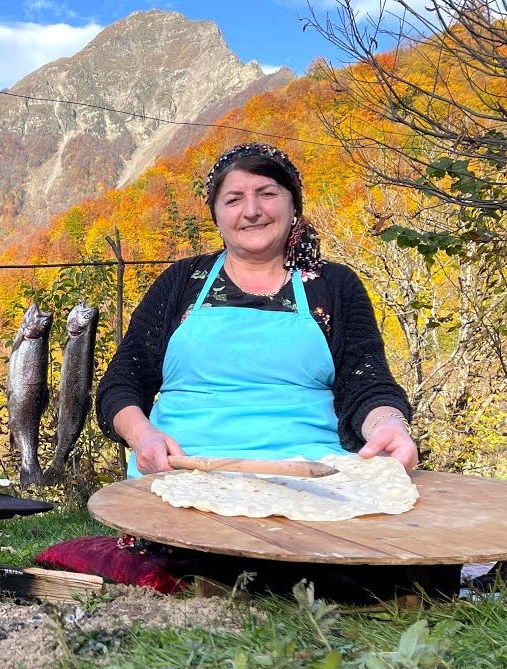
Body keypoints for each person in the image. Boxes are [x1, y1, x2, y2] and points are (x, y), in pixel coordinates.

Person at [94, 142, 447, 602]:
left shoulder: (332, 285)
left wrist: (390, 426)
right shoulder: (182, 283)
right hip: (183, 475)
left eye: (267, 193)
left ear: (293, 203)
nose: (252, 211)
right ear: (216, 214)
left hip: (311, 479)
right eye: (234, 199)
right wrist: (143, 437)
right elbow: (122, 384)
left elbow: (366, 383)